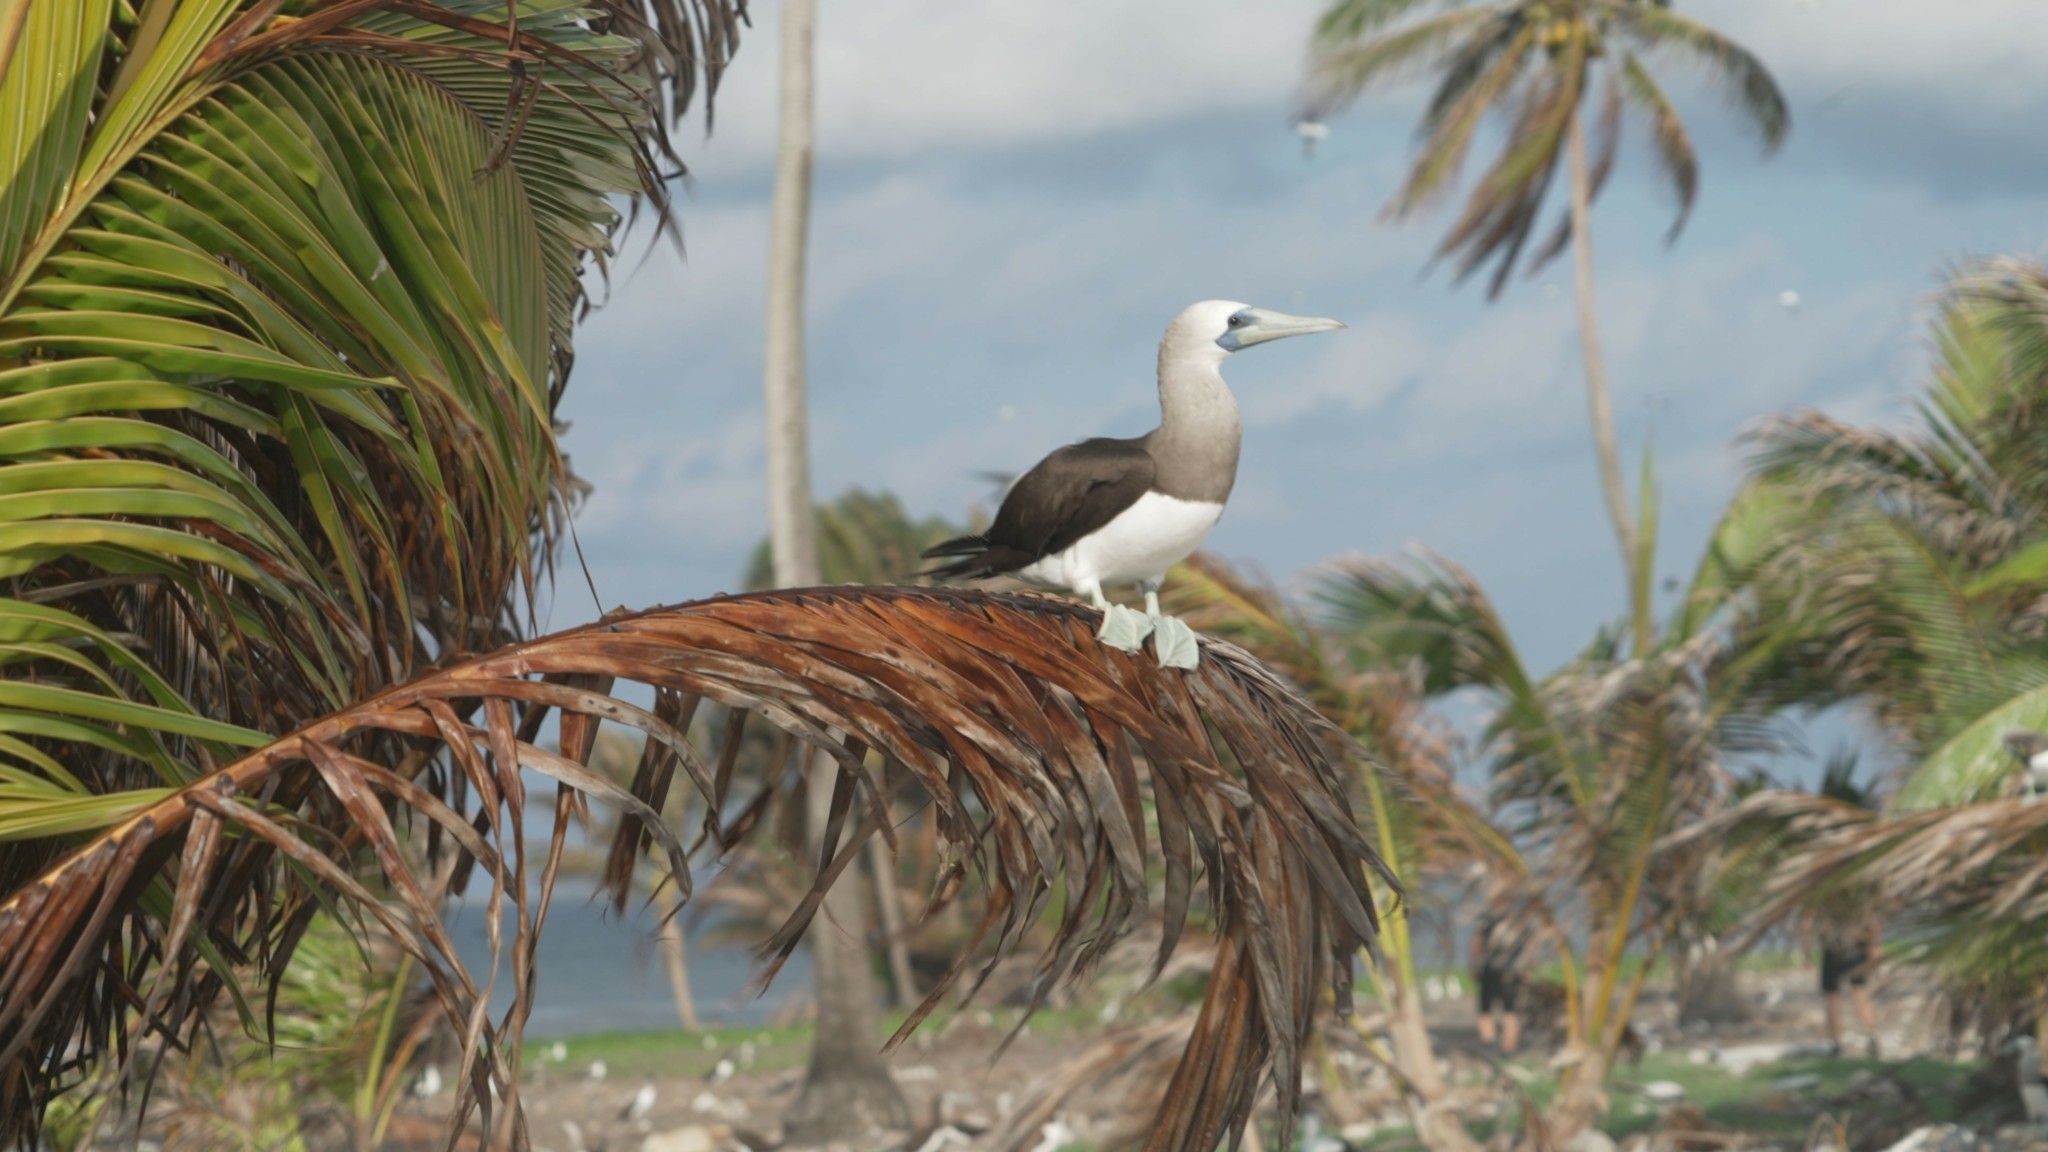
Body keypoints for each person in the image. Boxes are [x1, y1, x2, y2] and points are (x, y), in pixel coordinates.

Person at [1471, 894, 1526, 1056]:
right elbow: (1529, 947)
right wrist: (1527, 969)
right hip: (1513, 971)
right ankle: (1509, 1048)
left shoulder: (1488, 921)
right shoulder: (1520, 922)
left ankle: (1488, 1042)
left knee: (1485, 1008)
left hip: (1491, 970)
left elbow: (1477, 944)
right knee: (1511, 1010)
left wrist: (1475, 965)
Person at [1820, 914, 1880, 1057]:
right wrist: (1874, 949)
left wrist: (1806, 951)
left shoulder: (1829, 903)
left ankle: (1835, 1044)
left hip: (1833, 950)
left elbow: (1811, 922)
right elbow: (1872, 924)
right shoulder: (1859, 899)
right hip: (1856, 949)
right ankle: (1871, 1036)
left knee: (1833, 997)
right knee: (1858, 992)